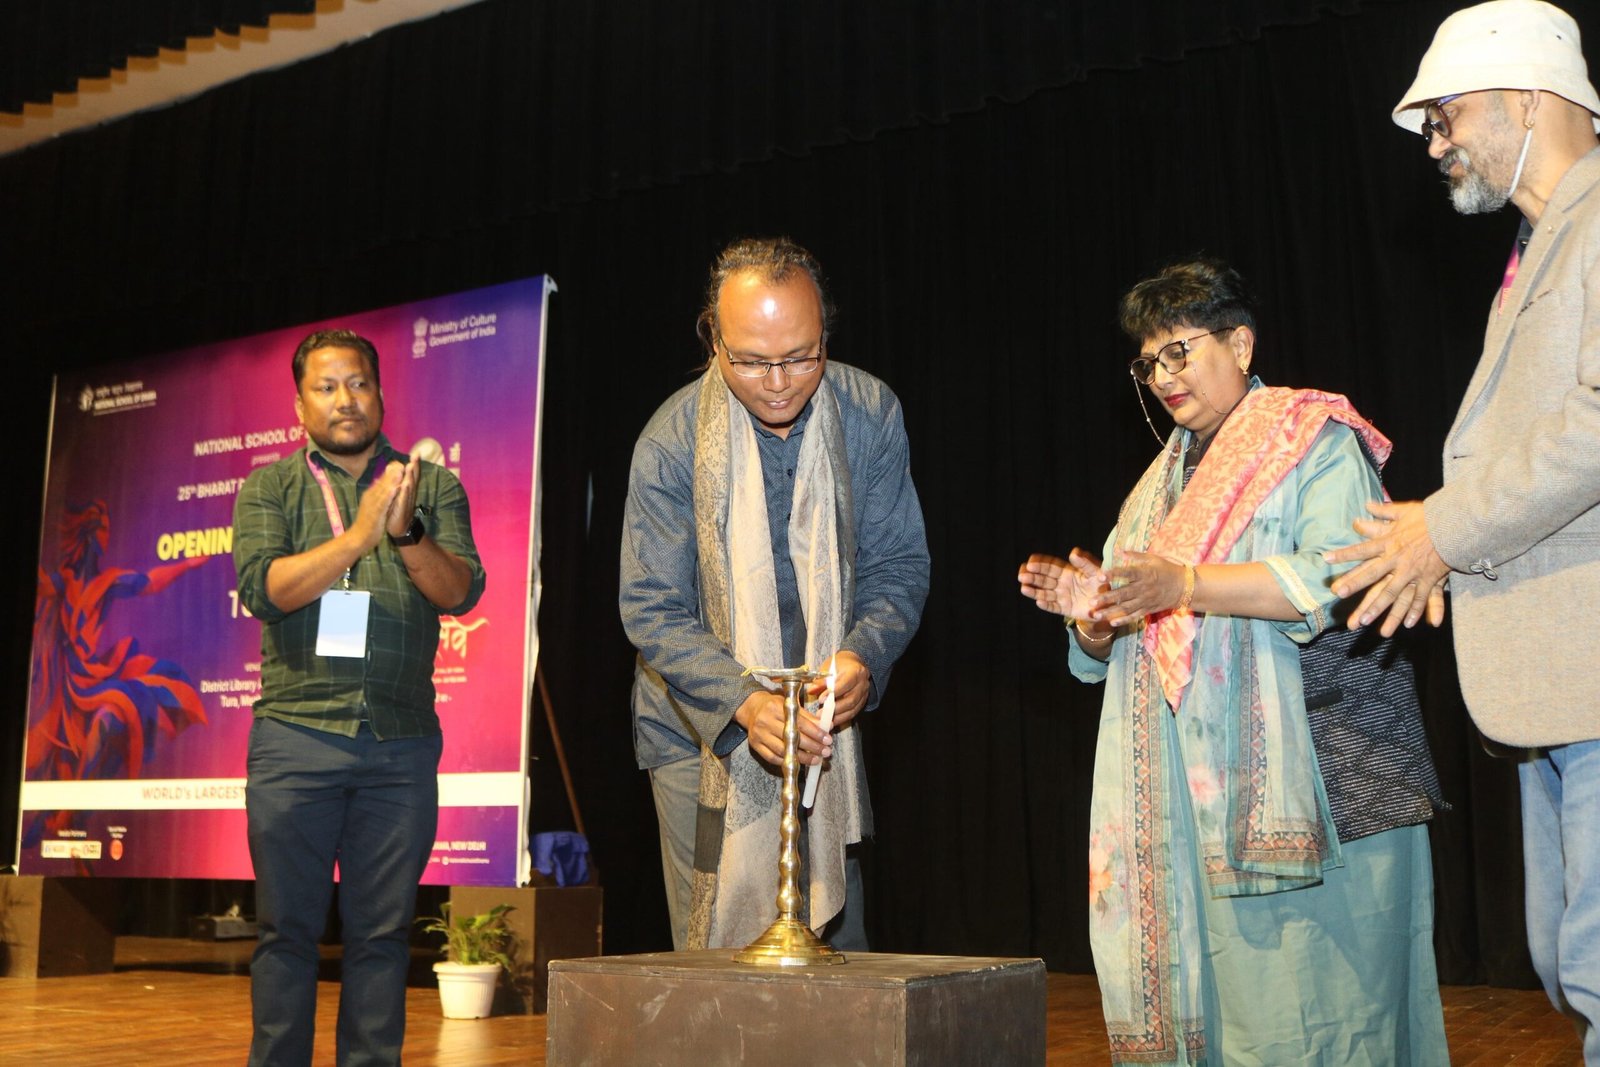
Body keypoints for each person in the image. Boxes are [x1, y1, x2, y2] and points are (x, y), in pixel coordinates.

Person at [1018, 259, 1448, 1065]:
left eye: (1179, 351)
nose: (1162, 377)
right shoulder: (1154, 492)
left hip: (1324, 775)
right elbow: (1118, 639)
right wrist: (1094, 620)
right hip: (1189, 804)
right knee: (1226, 1019)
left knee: (1328, 1017)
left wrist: (1185, 583)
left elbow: (1345, 576)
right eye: (1149, 363)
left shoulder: (1311, 439)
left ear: (1241, 344)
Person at [1326, 3, 1600, 1060]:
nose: (1433, 144)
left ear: (1529, 99)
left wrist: (1443, 531)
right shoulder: (1541, 246)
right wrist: (1439, 540)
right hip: (1558, 682)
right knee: (1567, 960)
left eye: (1445, 116)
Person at [620, 236, 929, 951]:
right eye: (753, 361)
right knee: (718, 958)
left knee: (835, 952)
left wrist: (862, 654)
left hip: (822, 725)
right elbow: (652, 605)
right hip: (697, 727)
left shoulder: (869, 412)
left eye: (801, 356)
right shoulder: (670, 442)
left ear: (825, 335)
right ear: (714, 340)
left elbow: (899, 565)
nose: (780, 382)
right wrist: (744, 701)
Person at [233, 328, 485, 1066]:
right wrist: (358, 535)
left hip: (400, 744)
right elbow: (264, 590)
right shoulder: (270, 487)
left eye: (359, 383)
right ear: (299, 405)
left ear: (380, 393)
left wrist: (404, 533)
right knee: (286, 931)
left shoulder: (432, 485)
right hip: (296, 737)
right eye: (326, 386)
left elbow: (460, 591)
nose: (345, 399)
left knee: (382, 935)